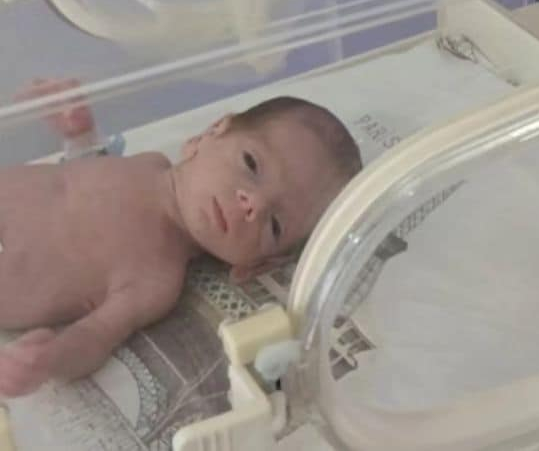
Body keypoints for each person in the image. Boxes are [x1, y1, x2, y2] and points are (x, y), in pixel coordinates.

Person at [0, 79, 361, 397]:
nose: (252, 204)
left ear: (257, 265)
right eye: (251, 164)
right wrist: (79, 134)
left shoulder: (157, 279)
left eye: (275, 225)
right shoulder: (147, 162)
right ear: (209, 134)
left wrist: (51, 359)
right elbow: (75, 180)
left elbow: (95, 336)